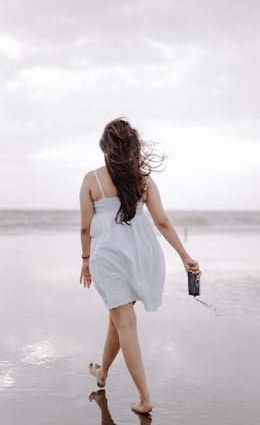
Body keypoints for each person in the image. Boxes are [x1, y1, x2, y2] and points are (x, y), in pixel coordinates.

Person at [79, 118, 201, 414]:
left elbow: (85, 228)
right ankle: (103, 373)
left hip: (108, 258)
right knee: (118, 319)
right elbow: (161, 222)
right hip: (141, 256)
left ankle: (145, 398)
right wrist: (184, 255)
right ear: (133, 146)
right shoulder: (143, 180)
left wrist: (85, 261)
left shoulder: (92, 180)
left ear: (105, 147)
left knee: (124, 321)